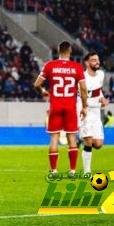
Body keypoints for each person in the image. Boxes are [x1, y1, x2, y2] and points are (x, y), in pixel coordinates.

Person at [34, 41, 88, 177]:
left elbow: (37, 84)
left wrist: (42, 91)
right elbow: (83, 88)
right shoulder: (77, 67)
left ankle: (53, 171)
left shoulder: (50, 65)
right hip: (70, 107)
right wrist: (85, 106)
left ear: (58, 50)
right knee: (72, 139)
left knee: (54, 139)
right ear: (70, 51)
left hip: (55, 106)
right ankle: (73, 171)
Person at [78, 51, 109, 175]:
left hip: (96, 113)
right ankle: (87, 171)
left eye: (98, 59)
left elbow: (98, 91)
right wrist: (92, 105)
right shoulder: (82, 78)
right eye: (94, 60)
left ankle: (82, 142)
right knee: (89, 141)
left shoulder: (101, 75)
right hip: (85, 111)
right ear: (87, 63)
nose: (97, 62)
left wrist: (102, 99)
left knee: (98, 144)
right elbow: (81, 98)